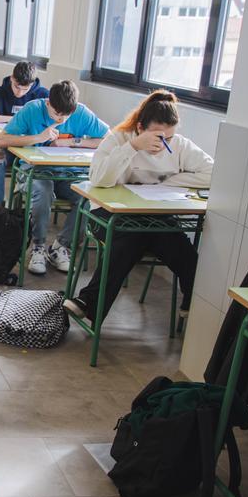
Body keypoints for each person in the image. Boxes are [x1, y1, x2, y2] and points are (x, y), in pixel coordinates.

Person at [62, 90, 212, 323]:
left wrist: (169, 182)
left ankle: (88, 302)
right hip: (108, 214)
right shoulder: (118, 138)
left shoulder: (180, 146)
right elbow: (99, 178)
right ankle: (90, 302)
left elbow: (212, 173)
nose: (163, 144)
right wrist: (132, 147)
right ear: (140, 128)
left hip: (154, 217)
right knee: (133, 235)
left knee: (187, 255)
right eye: (157, 136)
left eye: (169, 138)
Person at [0, 80, 108, 275]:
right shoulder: (32, 109)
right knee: (43, 191)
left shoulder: (81, 113)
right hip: (36, 171)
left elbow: (109, 139)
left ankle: (60, 247)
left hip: (69, 173)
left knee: (87, 197)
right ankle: (38, 247)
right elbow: (3, 140)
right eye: (57, 114)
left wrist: (75, 142)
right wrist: (38, 138)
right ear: (48, 103)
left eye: (67, 115)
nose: (62, 119)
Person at [0, 62, 50, 206]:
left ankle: (24, 210)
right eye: (17, 86)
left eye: (25, 88)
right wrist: (14, 120)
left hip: (34, 148)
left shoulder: (43, 96)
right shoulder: (0, 93)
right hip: (8, 146)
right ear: (12, 78)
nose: (20, 93)